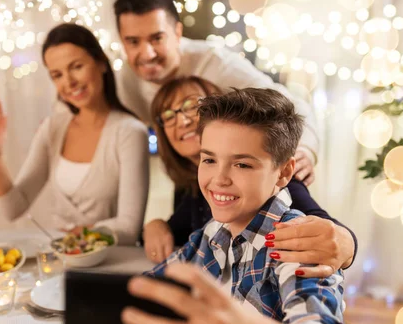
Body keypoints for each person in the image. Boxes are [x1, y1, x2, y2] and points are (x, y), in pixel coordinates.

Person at [51, 88, 352, 324]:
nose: (219, 178)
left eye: (242, 164)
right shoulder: (210, 236)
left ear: (284, 173)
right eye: (209, 160)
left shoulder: (296, 243)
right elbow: (145, 289)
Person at [143, 76, 357, 278]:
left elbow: (329, 232)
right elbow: (179, 236)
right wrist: (155, 225)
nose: (183, 120)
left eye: (191, 106)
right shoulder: (193, 187)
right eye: (169, 116)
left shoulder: (273, 181)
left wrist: (347, 243)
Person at [114, 0, 317, 185]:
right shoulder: (125, 81)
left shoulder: (217, 63)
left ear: (177, 32)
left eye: (157, 38)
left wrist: (305, 151)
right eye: (133, 42)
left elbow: (292, 105)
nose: (147, 53)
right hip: (187, 180)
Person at [0, 23, 149, 245]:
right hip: (62, 259)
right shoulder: (53, 128)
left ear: (101, 63)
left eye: (76, 67)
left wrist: (70, 238)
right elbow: (14, 208)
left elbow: (129, 228)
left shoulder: (130, 133)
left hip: (110, 265)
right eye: (57, 75)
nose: (68, 82)